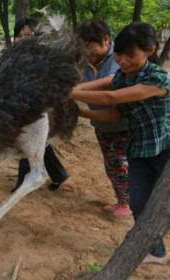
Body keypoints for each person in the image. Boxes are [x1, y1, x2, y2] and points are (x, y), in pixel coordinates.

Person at [71, 22, 170, 265]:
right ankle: (156, 253)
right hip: (138, 150)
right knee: (138, 202)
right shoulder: (122, 76)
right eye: (119, 55)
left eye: (130, 55)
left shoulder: (157, 79)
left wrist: (68, 94)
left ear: (150, 49)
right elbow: (113, 112)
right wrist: (75, 105)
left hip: (164, 150)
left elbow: (109, 97)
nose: (123, 61)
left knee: (163, 203)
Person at [76, 19, 131, 218]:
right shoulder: (85, 61)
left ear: (106, 40)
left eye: (90, 48)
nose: (87, 53)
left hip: (124, 123)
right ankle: (122, 200)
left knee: (122, 164)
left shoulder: (120, 56)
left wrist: (76, 91)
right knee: (111, 164)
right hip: (102, 123)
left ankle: (129, 203)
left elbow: (112, 84)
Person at [12, 17, 69, 192]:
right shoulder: (13, 56)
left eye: (29, 36)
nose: (23, 40)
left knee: (27, 140)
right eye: (20, 36)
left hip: (37, 105)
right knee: (40, 143)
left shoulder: (42, 56)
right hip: (18, 104)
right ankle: (58, 174)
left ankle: (23, 181)